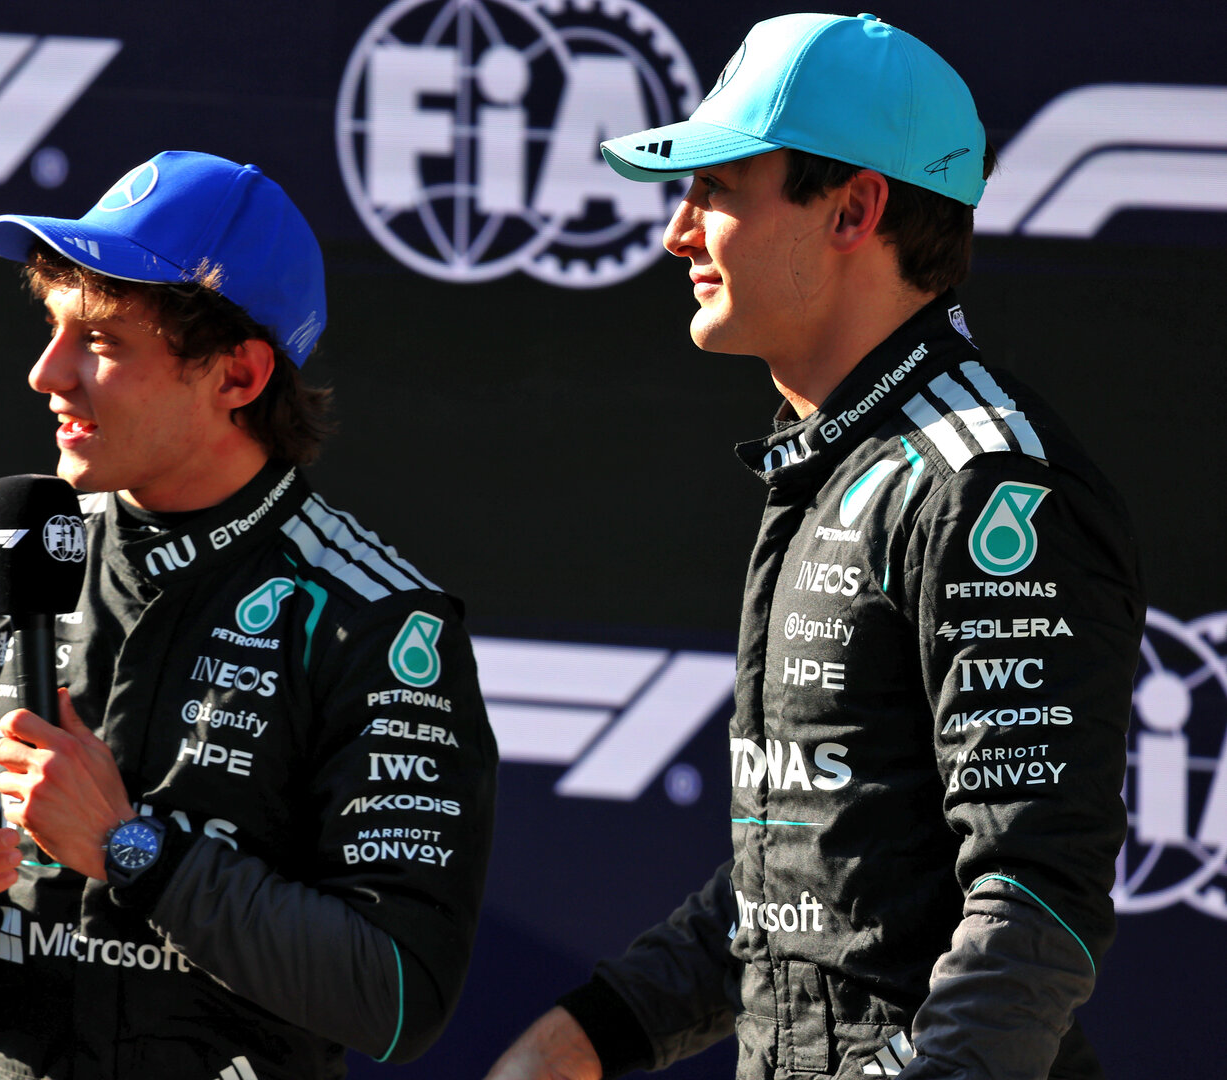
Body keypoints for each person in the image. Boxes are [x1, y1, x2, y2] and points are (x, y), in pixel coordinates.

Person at [485, 13, 1141, 1080]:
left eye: (717, 192)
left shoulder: (985, 483)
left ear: (853, 208)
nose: (676, 233)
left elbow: (1035, 907)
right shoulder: (843, 460)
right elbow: (810, 875)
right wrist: (590, 1034)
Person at [0, 150, 497, 1080]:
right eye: (54, 328)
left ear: (240, 376)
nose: (44, 374)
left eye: (101, 342)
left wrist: (128, 848)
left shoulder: (375, 621)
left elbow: (398, 994)